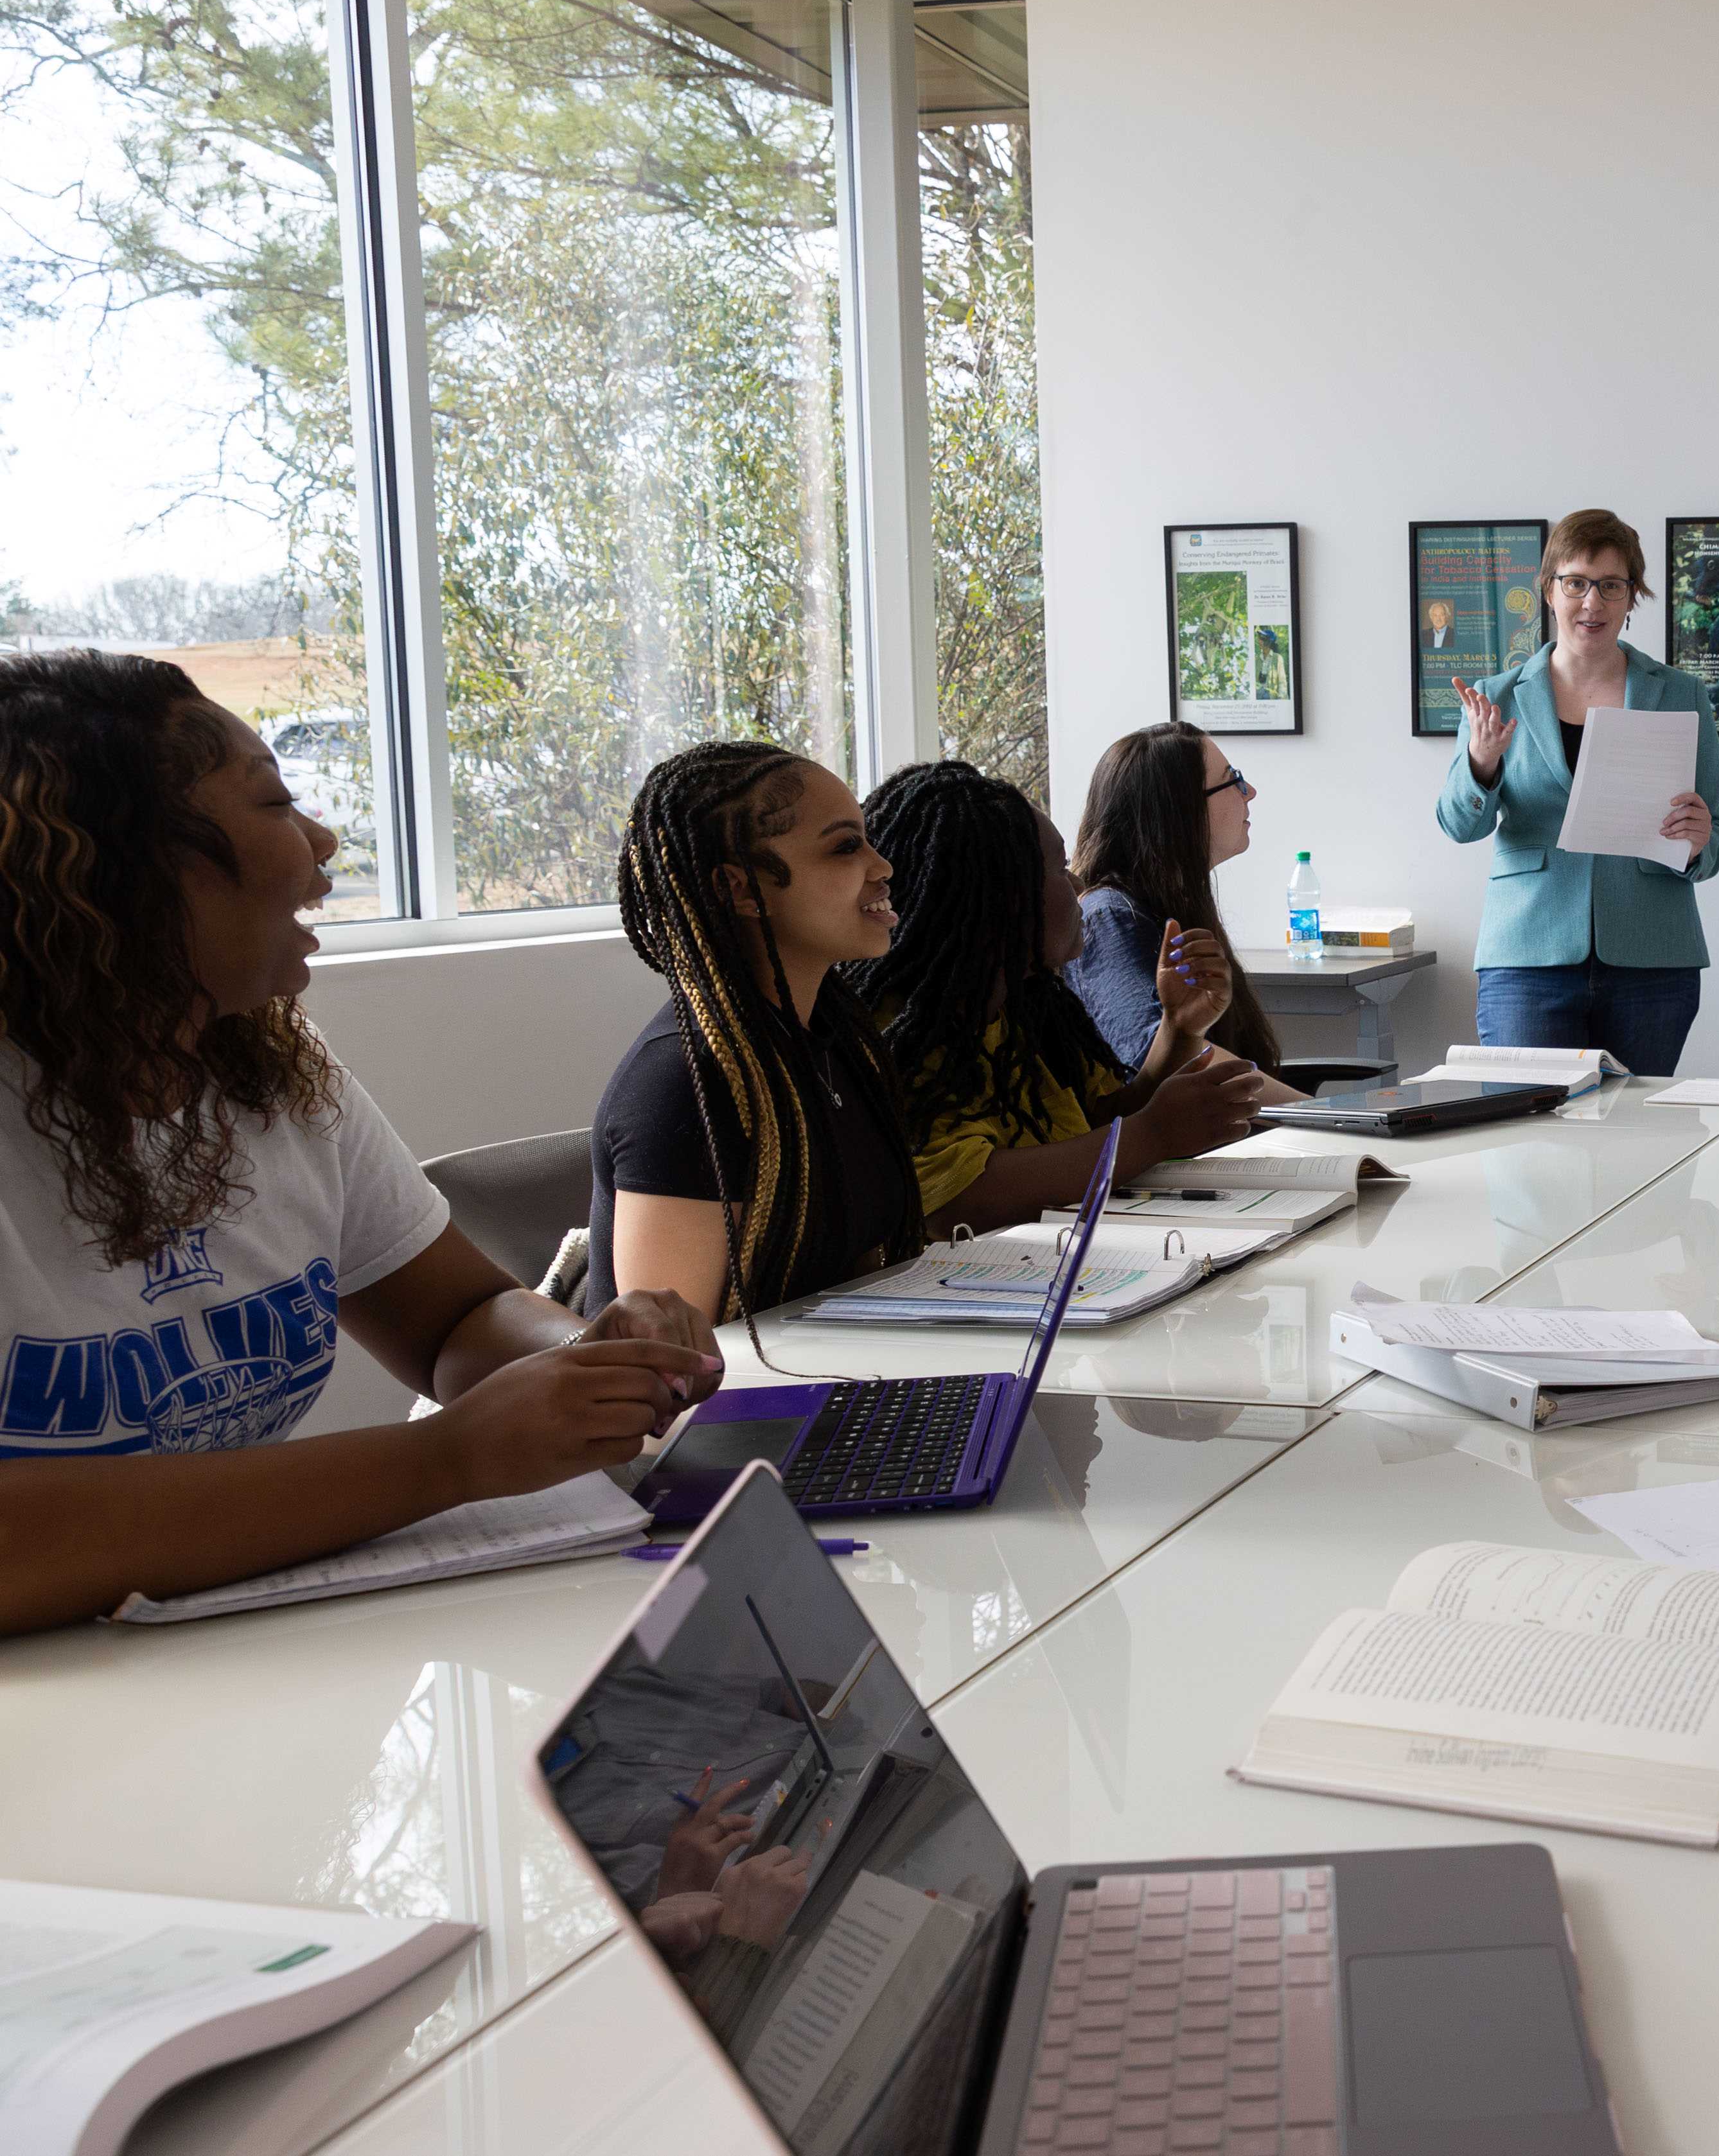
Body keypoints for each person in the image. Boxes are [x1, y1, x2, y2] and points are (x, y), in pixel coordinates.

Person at [0, 651, 719, 1635]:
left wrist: (585, 1360)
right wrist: (448, 1458)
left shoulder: (274, 1072)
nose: (322, 839)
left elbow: (454, 1323)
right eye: (272, 804)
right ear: (119, 873)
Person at [591, 741, 927, 1321]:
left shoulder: (837, 1038)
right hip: (733, 1410)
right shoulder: (683, 1085)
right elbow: (672, 1374)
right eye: (846, 847)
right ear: (738, 889)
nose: (882, 866)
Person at [856, 759, 1263, 1234]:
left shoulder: (1031, 1007)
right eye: (1059, 868)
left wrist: (1180, 1030)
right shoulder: (909, 1030)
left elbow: (1098, 1124)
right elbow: (959, 1198)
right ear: (1001, 896)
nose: (1078, 885)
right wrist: (1152, 1135)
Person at [1436, 508, 1719, 1074]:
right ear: (1549, 590)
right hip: (1528, 952)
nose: (1592, 603)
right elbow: (1458, 825)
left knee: (1636, 1141)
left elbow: (1718, 830)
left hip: (1653, 957)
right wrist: (1481, 762)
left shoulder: (1680, 693)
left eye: (1611, 586)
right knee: (1530, 1135)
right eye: (1576, 583)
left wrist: (1699, 842)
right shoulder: (1495, 695)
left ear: (1631, 597)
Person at [1062, 722, 1301, 1100]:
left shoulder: (1165, 905)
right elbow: (1158, 1060)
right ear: (1180, 808)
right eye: (1233, 780)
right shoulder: (1110, 916)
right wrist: (1320, 1116)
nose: (1250, 792)